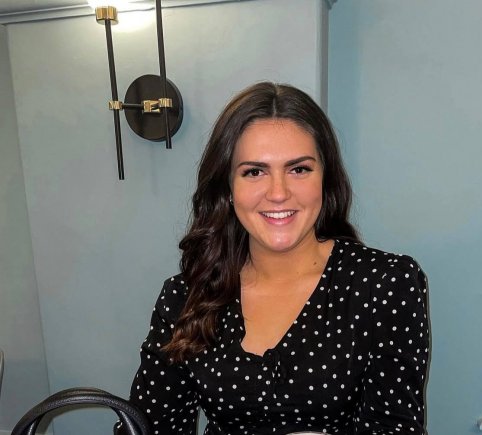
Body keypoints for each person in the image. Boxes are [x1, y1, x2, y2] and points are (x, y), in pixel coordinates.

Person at [120, 82, 429, 435]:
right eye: (254, 172)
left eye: (299, 169)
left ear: (325, 179)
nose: (278, 193)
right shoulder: (185, 296)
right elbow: (150, 427)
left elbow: (394, 429)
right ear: (228, 188)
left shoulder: (385, 284)